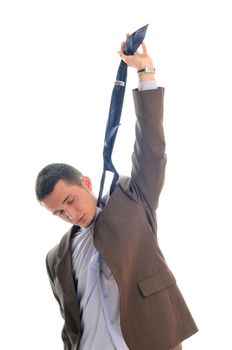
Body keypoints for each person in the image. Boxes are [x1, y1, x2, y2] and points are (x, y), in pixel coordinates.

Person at [35, 35, 198, 350]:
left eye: (69, 200)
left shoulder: (132, 201)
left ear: (85, 182)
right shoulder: (55, 258)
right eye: (59, 213)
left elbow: (151, 150)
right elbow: (69, 324)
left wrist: (145, 72)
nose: (70, 213)